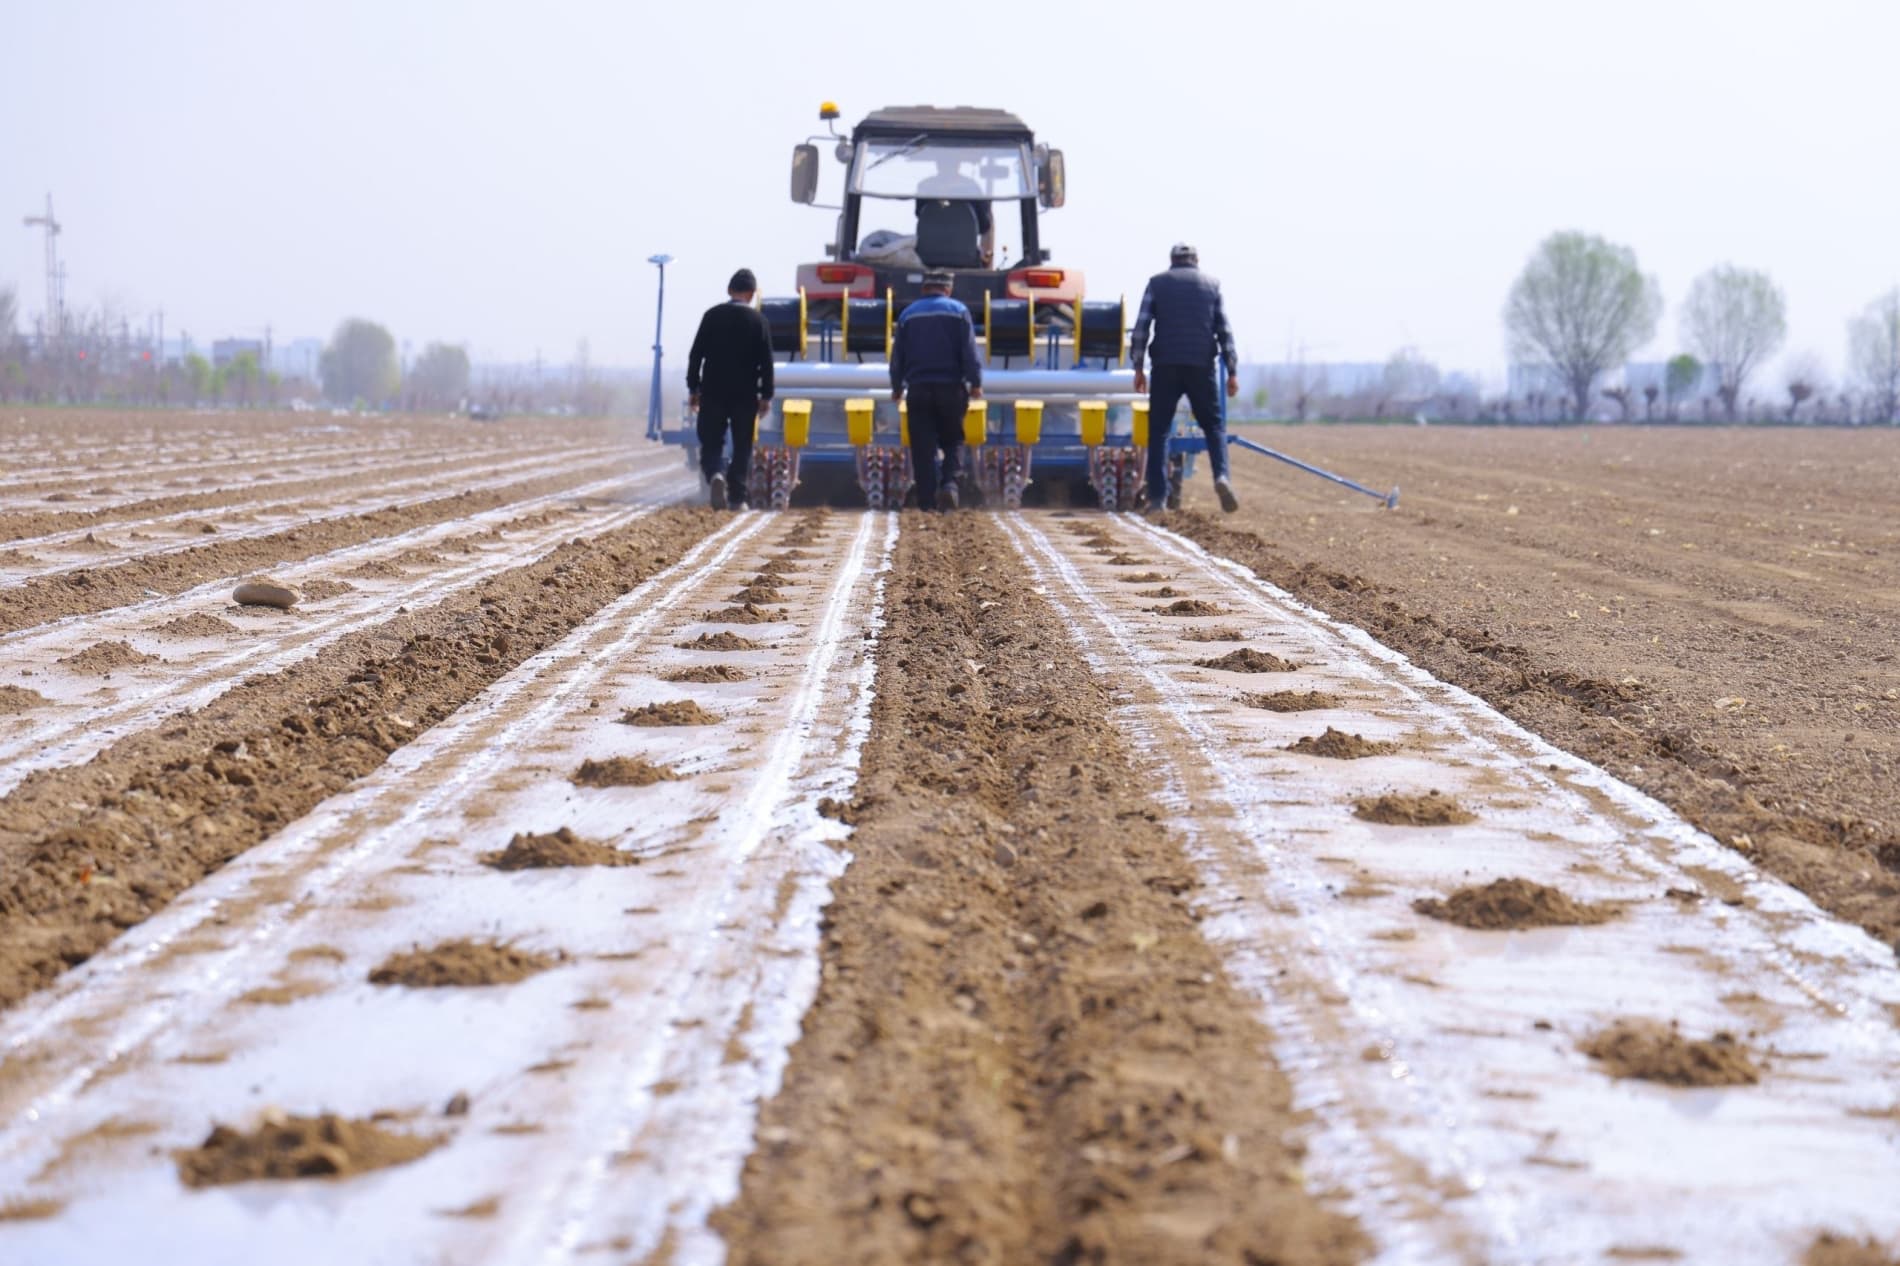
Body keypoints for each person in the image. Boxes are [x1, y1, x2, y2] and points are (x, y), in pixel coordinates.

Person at [1129, 243, 1241, 513]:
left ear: (1172, 261)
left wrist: (1138, 367)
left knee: (1158, 431)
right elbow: (1224, 330)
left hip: (1165, 365)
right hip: (1201, 366)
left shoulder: (1157, 284)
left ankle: (1157, 498)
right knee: (1213, 426)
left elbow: (1142, 326)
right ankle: (1221, 477)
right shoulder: (1211, 285)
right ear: (1196, 260)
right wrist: (1232, 371)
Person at [890, 268, 982, 510]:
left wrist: (896, 387)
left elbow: (897, 356)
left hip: (918, 390)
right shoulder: (959, 311)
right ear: (948, 289)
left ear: (924, 289)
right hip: (951, 389)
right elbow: (969, 353)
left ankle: (927, 503)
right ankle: (950, 485)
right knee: (953, 440)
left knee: (923, 447)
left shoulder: (908, 315)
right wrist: (976, 383)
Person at [686, 268, 775, 510]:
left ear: (729, 290)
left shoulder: (711, 316)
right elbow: (766, 362)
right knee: (743, 444)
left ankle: (715, 473)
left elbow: (696, 356)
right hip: (745, 395)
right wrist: (766, 395)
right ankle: (737, 497)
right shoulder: (760, 322)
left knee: (711, 441)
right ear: (753, 294)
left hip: (713, 391)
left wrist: (693, 388)